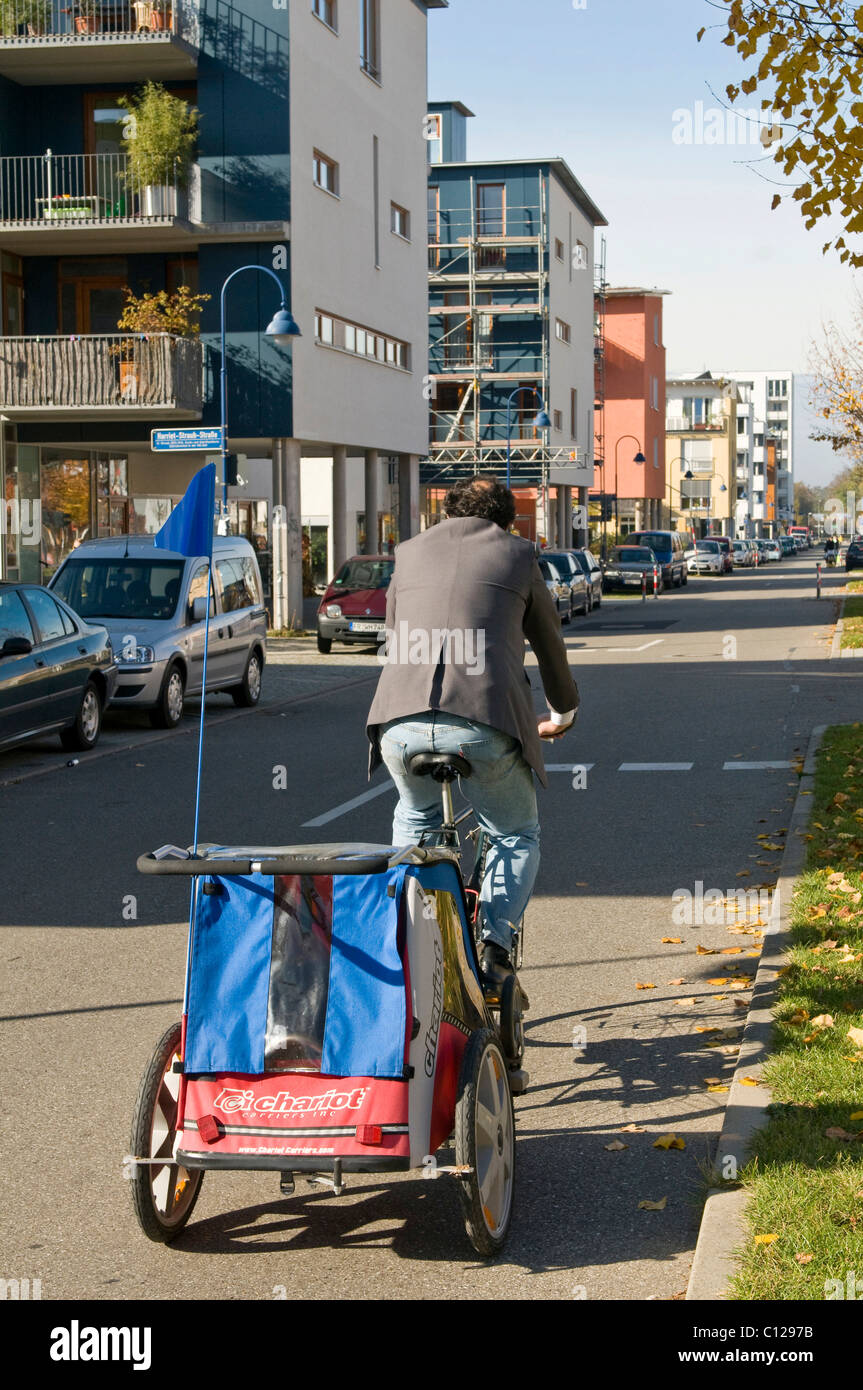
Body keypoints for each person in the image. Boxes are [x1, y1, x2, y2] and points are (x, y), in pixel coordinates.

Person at [366, 475, 579, 995]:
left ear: (449, 511)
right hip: (483, 719)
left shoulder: (408, 553)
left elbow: (395, 633)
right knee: (513, 832)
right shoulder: (519, 555)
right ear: (507, 519)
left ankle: (404, 934)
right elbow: (549, 644)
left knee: (414, 816)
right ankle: (495, 947)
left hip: (399, 719)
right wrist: (563, 712)